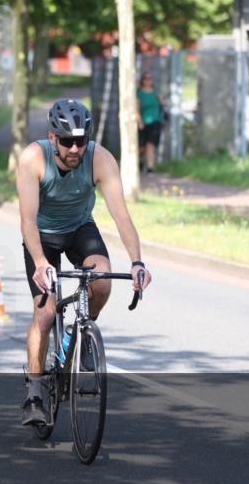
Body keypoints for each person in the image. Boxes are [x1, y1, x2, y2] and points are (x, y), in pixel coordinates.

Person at [16, 99, 152, 426]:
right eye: (67, 141)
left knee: (101, 279)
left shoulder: (100, 158)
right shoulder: (33, 158)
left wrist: (137, 262)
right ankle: (35, 391)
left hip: (79, 228)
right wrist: (39, 262)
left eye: (81, 141)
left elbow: (121, 216)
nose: (75, 148)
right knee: (46, 313)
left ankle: (85, 328)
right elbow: (27, 221)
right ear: (53, 139)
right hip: (42, 236)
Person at [136, 72, 166, 173]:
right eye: (146, 79)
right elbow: (136, 109)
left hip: (155, 122)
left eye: (150, 79)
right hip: (143, 123)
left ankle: (150, 168)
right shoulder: (139, 93)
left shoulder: (156, 93)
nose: (148, 81)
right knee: (141, 147)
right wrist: (139, 122)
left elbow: (162, 105)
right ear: (142, 80)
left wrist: (162, 100)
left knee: (151, 145)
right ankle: (139, 161)